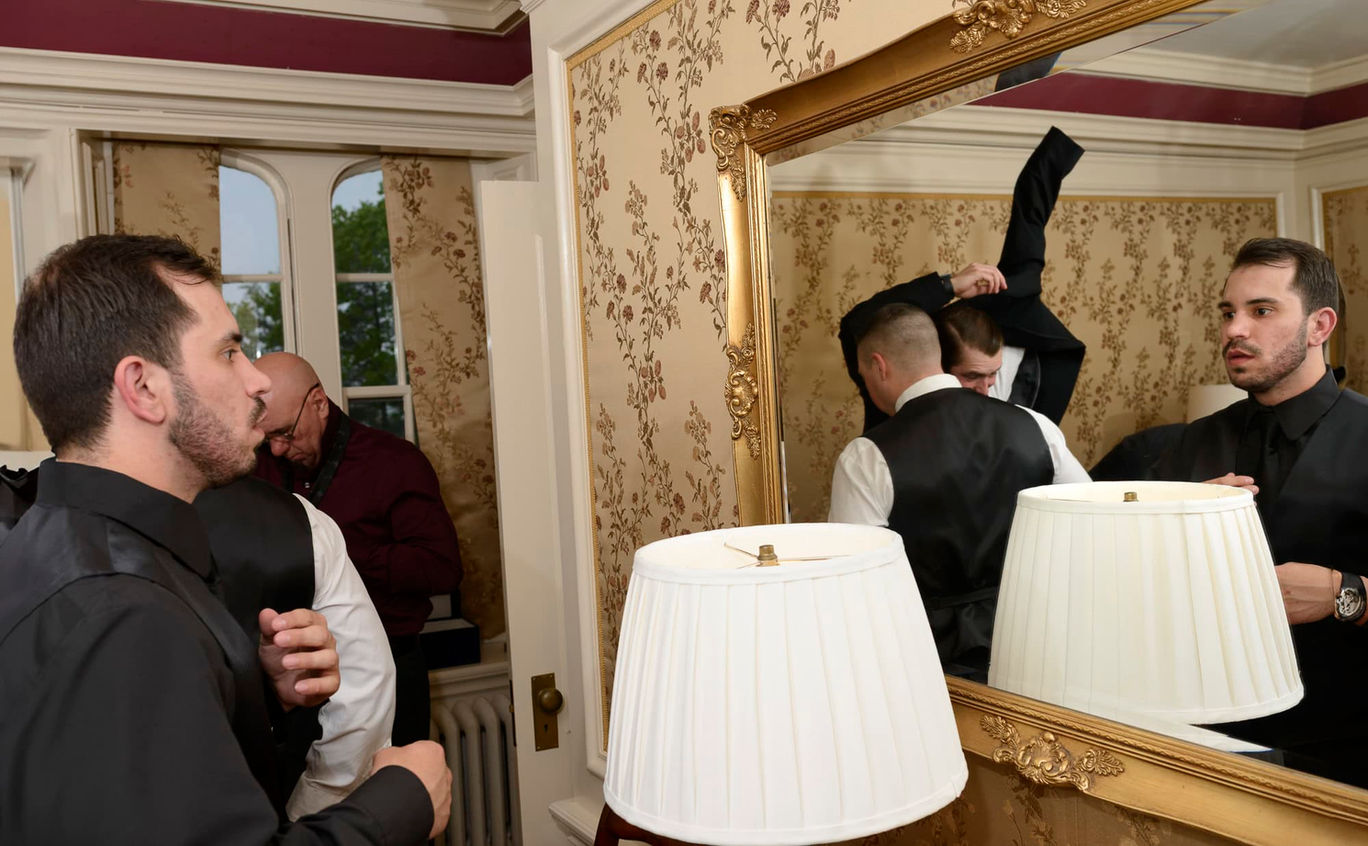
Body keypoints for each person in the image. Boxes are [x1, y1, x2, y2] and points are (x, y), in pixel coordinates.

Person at [0, 234, 449, 843]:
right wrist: (403, 801)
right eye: (229, 352)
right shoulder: (120, 612)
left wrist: (259, 694)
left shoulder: (67, 546)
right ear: (144, 388)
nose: (258, 380)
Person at [1148, 237, 1368, 787]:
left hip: (1347, 753)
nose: (1233, 330)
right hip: (1205, 741)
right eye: (1228, 312)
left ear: (1320, 326)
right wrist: (1174, 523)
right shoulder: (1189, 446)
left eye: (1261, 310)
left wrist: (1347, 594)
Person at [828, 302, 1089, 681]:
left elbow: (855, 584)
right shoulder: (1036, 426)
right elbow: (1089, 520)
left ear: (878, 366)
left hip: (928, 657)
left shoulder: (866, 457)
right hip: (1034, 639)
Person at [253, 352, 462, 746]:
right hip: (294, 679)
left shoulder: (395, 463)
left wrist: (338, 554)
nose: (277, 450)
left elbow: (442, 568)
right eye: (268, 438)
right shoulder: (259, 466)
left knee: (397, 801)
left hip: (387, 670)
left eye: (285, 433)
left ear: (318, 403)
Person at [839, 126, 1087, 430]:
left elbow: (1030, 218)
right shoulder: (895, 388)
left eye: (992, 376)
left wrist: (1066, 144)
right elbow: (857, 324)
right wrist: (949, 285)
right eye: (970, 376)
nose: (985, 389)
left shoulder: (1017, 303)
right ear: (937, 364)